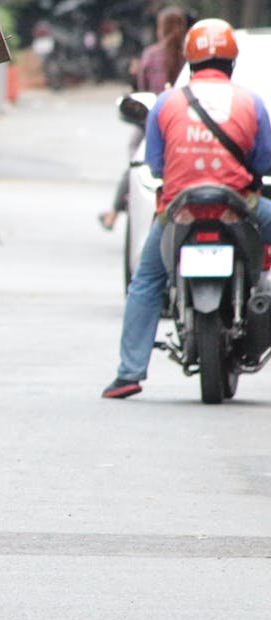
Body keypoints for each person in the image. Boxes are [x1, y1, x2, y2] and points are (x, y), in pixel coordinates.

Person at [103, 18, 271, 399]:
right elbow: (262, 163)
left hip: (180, 209)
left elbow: (157, 167)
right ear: (231, 61)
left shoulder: (167, 102)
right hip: (238, 205)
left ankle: (128, 374)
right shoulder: (251, 102)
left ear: (189, 61)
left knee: (146, 281)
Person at [99, 6, 189, 231]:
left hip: (154, 122)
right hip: (185, 122)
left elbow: (140, 89)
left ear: (161, 29)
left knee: (136, 164)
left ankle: (113, 213)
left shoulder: (151, 55)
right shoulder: (189, 55)